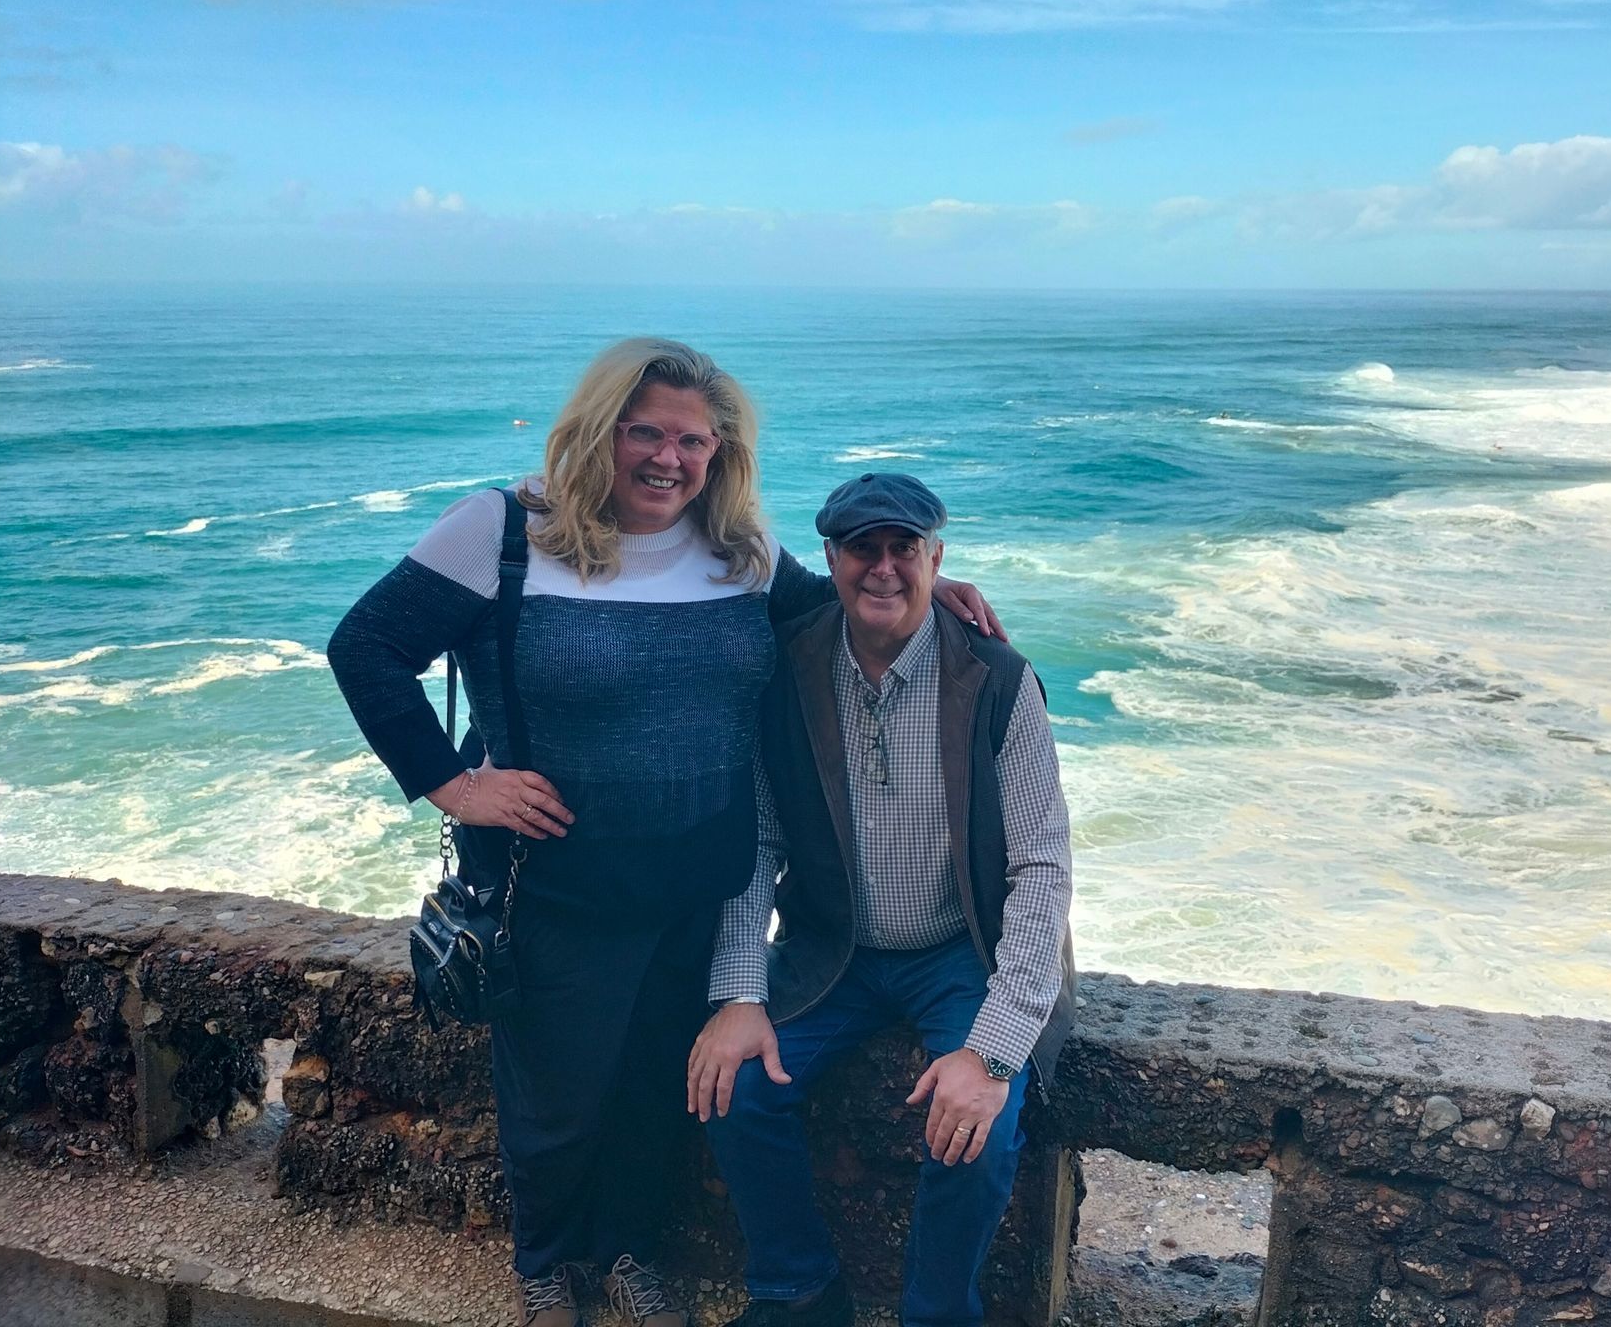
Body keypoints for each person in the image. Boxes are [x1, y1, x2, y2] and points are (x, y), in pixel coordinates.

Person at [327, 344, 1001, 1327]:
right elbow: (367, 645)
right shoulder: (506, 533)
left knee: (659, 1094)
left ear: (720, 454)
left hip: (701, 888)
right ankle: (547, 1269)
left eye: (693, 439)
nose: (667, 459)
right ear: (599, 429)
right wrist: (449, 783)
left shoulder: (737, 548)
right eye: (645, 431)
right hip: (557, 888)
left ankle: (630, 1255)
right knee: (558, 1101)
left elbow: (831, 616)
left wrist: (925, 590)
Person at [687, 472, 1075, 1327]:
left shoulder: (999, 681)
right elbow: (755, 844)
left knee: (980, 1123)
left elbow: (1042, 869)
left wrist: (996, 1049)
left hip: (959, 949)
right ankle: (798, 1291)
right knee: (736, 1088)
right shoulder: (786, 670)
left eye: (906, 548)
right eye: (865, 547)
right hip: (834, 948)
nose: (885, 568)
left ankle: (937, 1313)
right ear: (830, 557)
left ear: (937, 557)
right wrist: (740, 995)